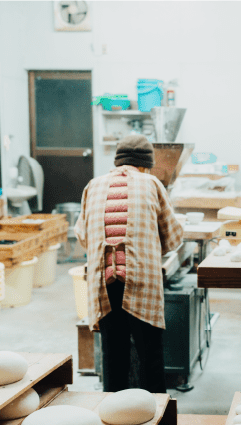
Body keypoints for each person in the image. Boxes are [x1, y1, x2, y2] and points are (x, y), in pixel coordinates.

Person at [75, 135, 183, 393]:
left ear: (117, 161)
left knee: (113, 358)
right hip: (141, 282)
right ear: (146, 165)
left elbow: (83, 236)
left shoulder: (93, 185)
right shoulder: (152, 183)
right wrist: (148, 247)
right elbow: (173, 237)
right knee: (151, 358)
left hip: (104, 283)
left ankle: (113, 417)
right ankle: (157, 419)